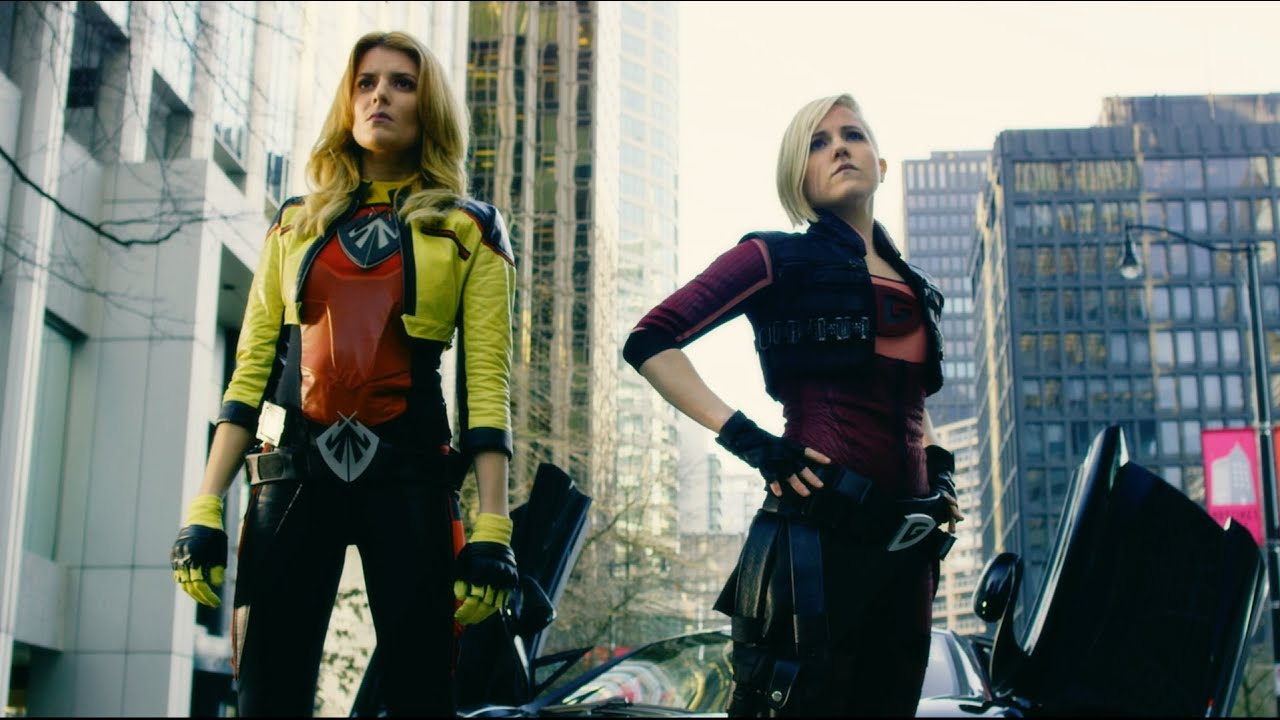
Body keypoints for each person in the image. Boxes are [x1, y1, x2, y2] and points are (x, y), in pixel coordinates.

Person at [167, 31, 518, 717]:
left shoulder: (469, 227)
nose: (380, 95)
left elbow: (487, 385)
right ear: (348, 102)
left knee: (422, 699)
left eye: (402, 83)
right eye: (366, 82)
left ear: (429, 107)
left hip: (413, 481)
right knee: (265, 698)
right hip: (290, 478)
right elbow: (252, 374)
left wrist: (493, 526)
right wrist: (205, 506)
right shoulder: (294, 224)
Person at [623, 94, 964, 717]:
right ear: (796, 177)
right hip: (816, 540)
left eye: (853, 135)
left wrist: (940, 470)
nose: (839, 148)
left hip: (908, 554)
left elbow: (912, 399)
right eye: (817, 142)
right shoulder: (773, 256)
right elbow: (649, 340)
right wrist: (750, 441)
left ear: (881, 164)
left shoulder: (917, 286)